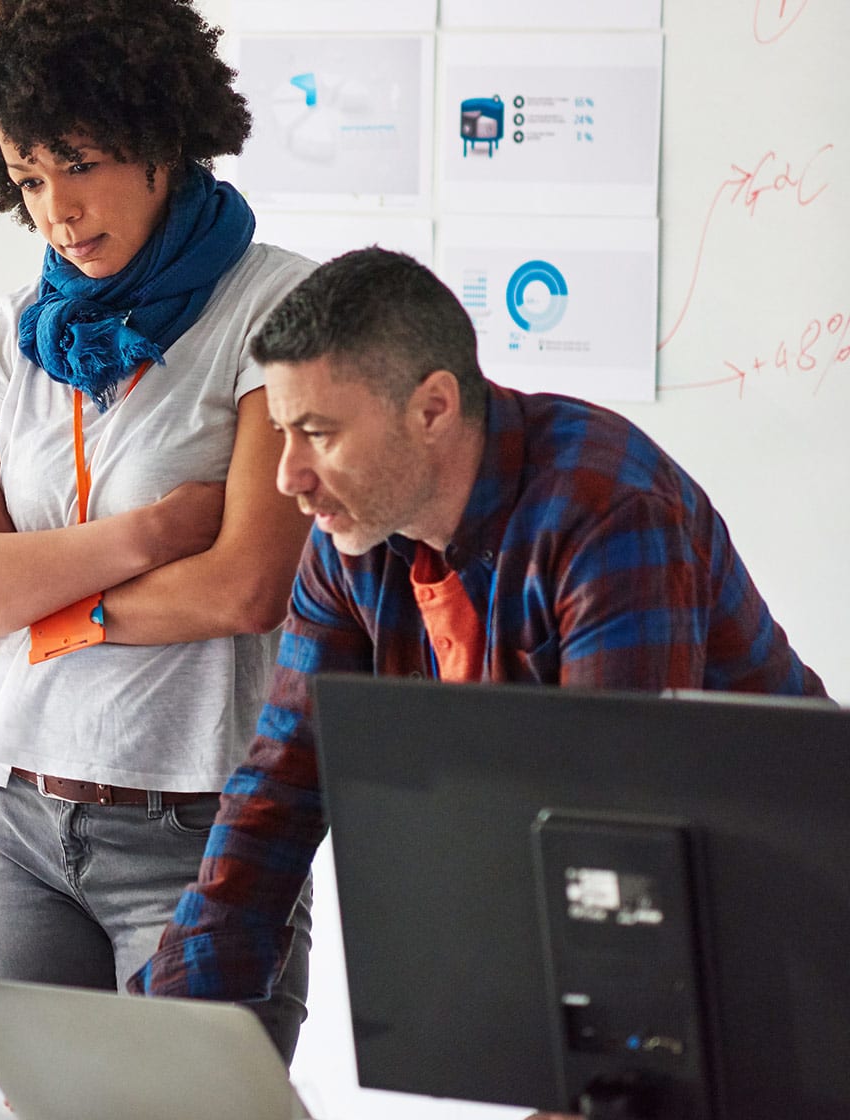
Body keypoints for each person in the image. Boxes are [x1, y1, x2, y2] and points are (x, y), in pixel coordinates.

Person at [132, 245, 828, 1013]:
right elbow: (281, 783)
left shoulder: (604, 510)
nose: (287, 476)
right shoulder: (351, 535)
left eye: (319, 434)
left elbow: (615, 826)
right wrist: (176, 1024)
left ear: (432, 408)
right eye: (283, 433)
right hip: (626, 923)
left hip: (787, 924)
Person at [0, 0, 316, 1062]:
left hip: (191, 831)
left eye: (78, 165)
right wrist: (150, 535)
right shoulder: (17, 331)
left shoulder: (276, 311)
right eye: (29, 179)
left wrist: (38, 597)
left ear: (157, 137)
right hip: (4, 821)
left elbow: (240, 589)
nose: (57, 211)